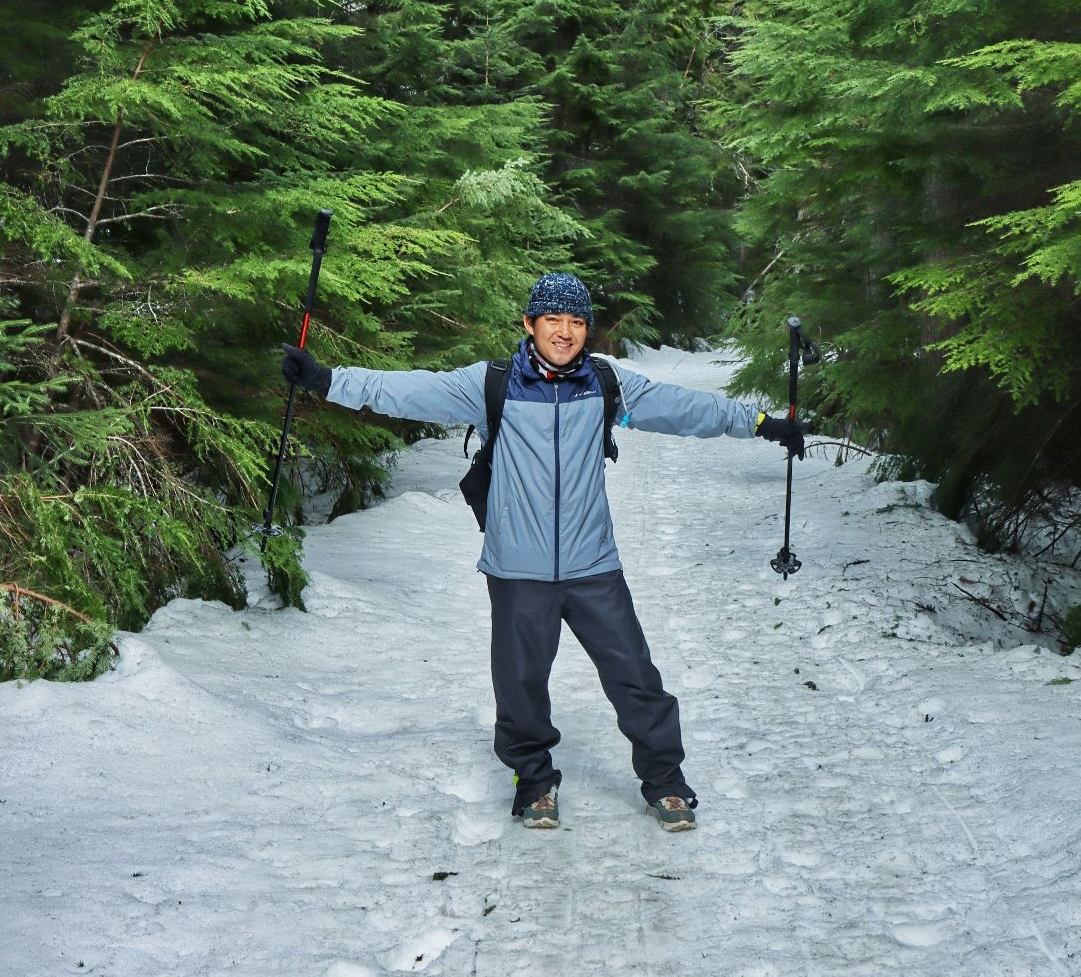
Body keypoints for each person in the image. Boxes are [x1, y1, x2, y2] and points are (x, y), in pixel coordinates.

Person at [281, 271, 807, 834]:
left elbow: (686, 408)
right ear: (529, 324)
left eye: (577, 321)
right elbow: (407, 389)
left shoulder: (606, 385)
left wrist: (761, 422)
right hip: (517, 569)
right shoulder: (493, 384)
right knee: (521, 685)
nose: (565, 332)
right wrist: (326, 379)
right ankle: (533, 782)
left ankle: (667, 784)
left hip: (593, 565)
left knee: (635, 678)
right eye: (553, 320)